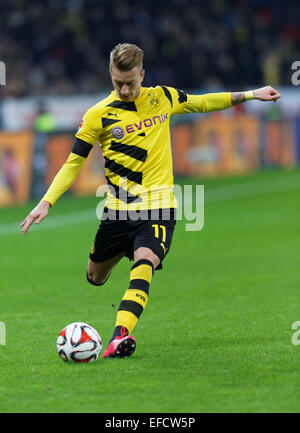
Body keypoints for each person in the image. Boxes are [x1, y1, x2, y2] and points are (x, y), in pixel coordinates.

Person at [20, 43, 281, 358]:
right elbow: (74, 161)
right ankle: (121, 270)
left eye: (130, 82)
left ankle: (120, 336)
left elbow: (203, 102)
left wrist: (252, 94)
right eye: (118, 82)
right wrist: (46, 201)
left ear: (142, 74)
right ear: (111, 75)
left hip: (158, 206)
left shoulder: (163, 98)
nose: (125, 89)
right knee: (95, 277)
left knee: (145, 262)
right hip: (117, 212)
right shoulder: (97, 115)